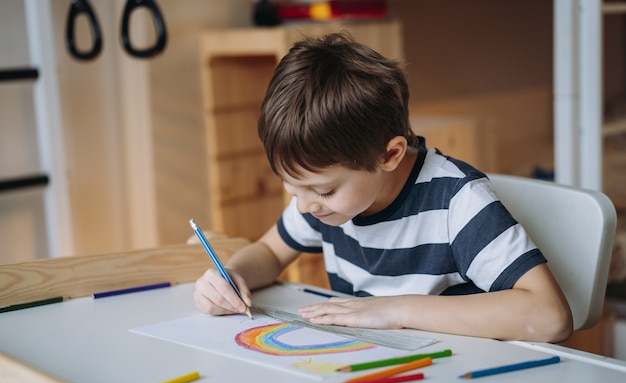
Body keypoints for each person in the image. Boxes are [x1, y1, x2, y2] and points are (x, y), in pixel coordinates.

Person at [193, 32, 573, 343]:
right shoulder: (325, 202)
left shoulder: (456, 201)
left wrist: (396, 310)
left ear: (390, 154)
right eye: (294, 190)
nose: (306, 206)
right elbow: (269, 254)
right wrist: (232, 276)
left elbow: (549, 316)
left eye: (322, 191)